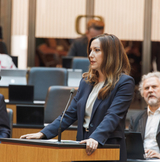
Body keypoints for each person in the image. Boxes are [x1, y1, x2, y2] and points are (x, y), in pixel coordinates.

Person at [21, 34, 135, 162]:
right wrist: (43, 134)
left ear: (111, 54)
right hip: (82, 146)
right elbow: (69, 114)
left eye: (97, 50)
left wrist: (96, 138)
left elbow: (113, 116)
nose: (91, 55)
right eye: (90, 50)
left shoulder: (124, 82)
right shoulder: (86, 82)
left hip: (107, 147)